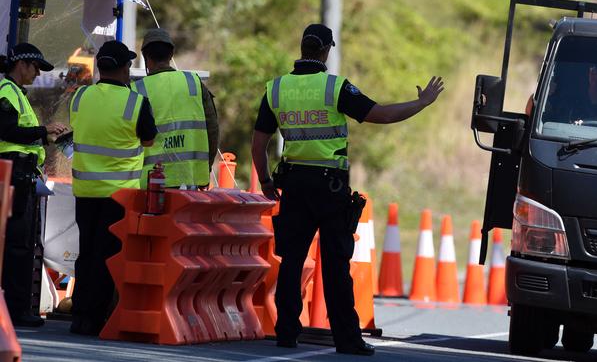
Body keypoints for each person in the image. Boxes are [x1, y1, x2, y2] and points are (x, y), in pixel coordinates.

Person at [251, 24, 444, 356]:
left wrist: (266, 181)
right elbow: (381, 115)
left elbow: (259, 144)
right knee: (336, 265)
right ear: (326, 50)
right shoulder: (334, 88)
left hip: (294, 184)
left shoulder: (276, 88)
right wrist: (422, 102)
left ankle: (285, 332)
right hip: (329, 186)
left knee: (292, 260)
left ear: (303, 48)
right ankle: (347, 339)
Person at [69, 40, 157, 335]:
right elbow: (148, 139)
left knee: (86, 252)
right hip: (119, 195)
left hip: (85, 191)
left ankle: (78, 314)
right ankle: (94, 318)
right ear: (123, 68)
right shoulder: (135, 102)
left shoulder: (80, 97)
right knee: (107, 257)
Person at [0, 43, 67, 327]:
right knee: (17, 245)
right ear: (21, 64)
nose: (38, 73)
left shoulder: (16, 93)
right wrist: (43, 131)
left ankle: (17, 309)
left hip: (20, 173)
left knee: (22, 244)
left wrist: (44, 135)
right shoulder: (6, 91)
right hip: (12, 173)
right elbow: (7, 130)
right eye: (35, 67)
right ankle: (15, 311)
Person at [132, 28, 219, 188]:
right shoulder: (194, 83)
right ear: (171, 54)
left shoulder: (136, 90)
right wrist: (204, 169)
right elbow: (212, 130)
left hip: (149, 184)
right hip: (189, 181)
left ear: (145, 55)